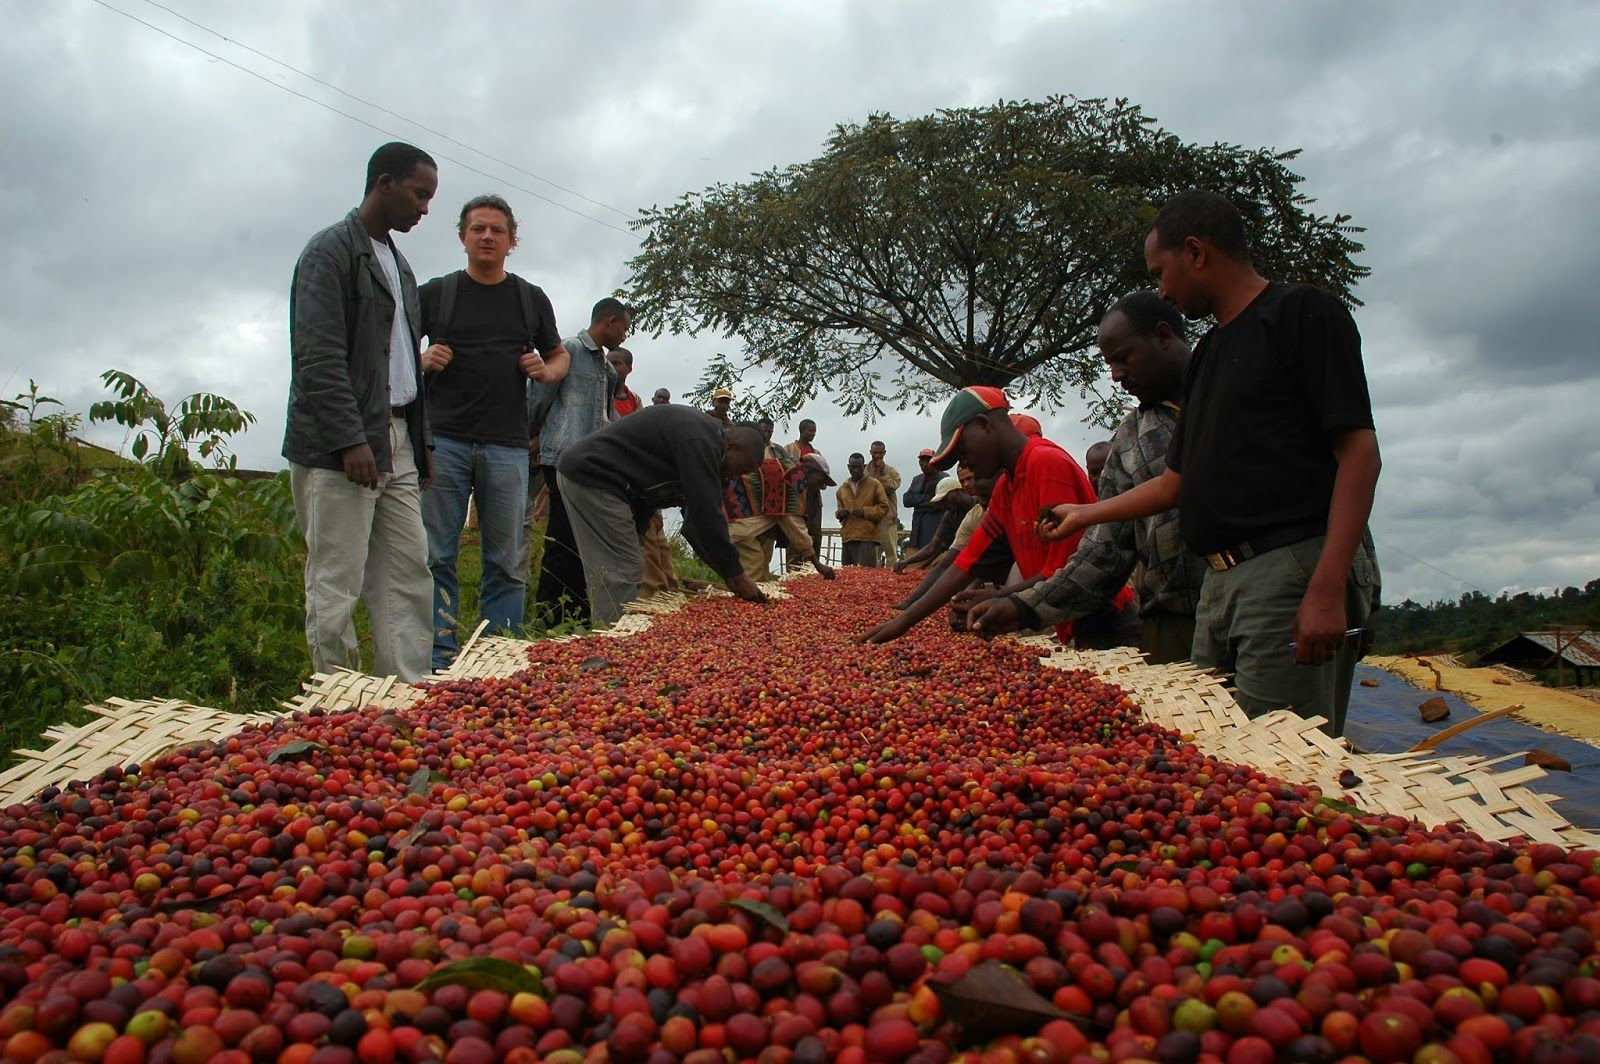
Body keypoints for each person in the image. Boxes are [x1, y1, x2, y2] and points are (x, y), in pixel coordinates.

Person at [1037, 190, 1380, 735]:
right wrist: (1085, 515)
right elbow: (1176, 483)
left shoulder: (1301, 313)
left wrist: (1326, 587)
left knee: (1284, 761)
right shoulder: (1210, 358)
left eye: (1161, 272)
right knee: (1213, 751)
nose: (1162, 290)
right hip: (1221, 584)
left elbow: (1360, 453)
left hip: (1285, 571)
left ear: (1195, 252)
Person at [968, 292, 1206, 664]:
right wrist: (1025, 607)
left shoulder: (1227, 396)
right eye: (1109, 363)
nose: (1116, 375)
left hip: (1264, 601)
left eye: (1123, 358)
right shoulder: (1131, 439)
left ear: (1162, 336)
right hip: (1172, 619)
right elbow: (1104, 553)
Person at [283, 142, 437, 682]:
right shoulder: (330, 252)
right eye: (420, 194)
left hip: (395, 438)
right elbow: (318, 358)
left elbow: (402, 366)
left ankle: (406, 692)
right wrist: (351, 440)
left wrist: (421, 445)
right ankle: (337, 699)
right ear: (385, 183)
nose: (424, 209)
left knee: (408, 570)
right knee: (337, 576)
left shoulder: (400, 265)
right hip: (340, 443)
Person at [416, 194, 563, 671]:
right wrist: (421, 361)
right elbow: (392, 348)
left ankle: (498, 656)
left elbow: (559, 355)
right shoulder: (437, 293)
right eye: (478, 228)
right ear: (462, 236)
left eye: (497, 231)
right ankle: (437, 656)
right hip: (444, 442)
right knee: (436, 553)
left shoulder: (529, 297)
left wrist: (545, 371)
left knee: (506, 558)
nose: (486, 237)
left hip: (507, 446)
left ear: (511, 241)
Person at [859, 387, 1104, 644]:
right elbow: (966, 561)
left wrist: (1000, 597)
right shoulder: (1005, 488)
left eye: (962, 451)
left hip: (1099, 619)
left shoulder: (1045, 464)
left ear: (984, 425)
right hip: (1066, 622)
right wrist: (904, 620)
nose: (964, 464)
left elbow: (1061, 573)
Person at [556, 408, 769, 625]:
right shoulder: (701, 441)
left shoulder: (709, 444)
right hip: (595, 477)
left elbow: (690, 524)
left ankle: (609, 633)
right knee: (623, 568)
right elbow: (707, 515)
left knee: (629, 561)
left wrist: (729, 577)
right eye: (741, 469)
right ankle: (611, 643)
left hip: (613, 486)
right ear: (731, 447)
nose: (736, 477)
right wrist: (737, 575)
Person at [533, 297, 632, 625]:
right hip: (561, 455)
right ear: (609, 321)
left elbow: (605, 418)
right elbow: (541, 397)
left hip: (588, 464)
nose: (624, 336)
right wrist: (531, 435)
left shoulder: (606, 369)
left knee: (580, 538)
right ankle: (550, 615)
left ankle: (576, 611)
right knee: (562, 537)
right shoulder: (569, 351)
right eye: (624, 328)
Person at [725, 446, 837, 582]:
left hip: (735, 512)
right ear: (809, 471)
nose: (822, 487)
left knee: (757, 559)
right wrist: (818, 565)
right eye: (821, 480)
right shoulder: (794, 480)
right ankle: (741, 598)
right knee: (753, 563)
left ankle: (748, 594)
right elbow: (796, 528)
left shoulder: (789, 468)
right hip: (734, 515)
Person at [835, 453, 891, 567]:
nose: (855, 470)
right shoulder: (842, 489)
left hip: (867, 538)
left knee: (865, 577)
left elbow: (884, 507)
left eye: (858, 467)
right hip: (847, 538)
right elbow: (839, 509)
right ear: (848, 467)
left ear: (864, 467)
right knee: (846, 579)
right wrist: (840, 514)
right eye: (852, 467)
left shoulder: (874, 484)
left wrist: (865, 512)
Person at [785, 419, 824, 551]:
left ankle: (813, 568)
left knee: (815, 535)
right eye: (810, 431)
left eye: (815, 432)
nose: (813, 434)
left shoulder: (817, 453)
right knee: (795, 533)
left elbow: (824, 475)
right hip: (795, 498)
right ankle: (794, 569)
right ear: (802, 430)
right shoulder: (789, 449)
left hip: (813, 498)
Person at [901, 449, 947, 551]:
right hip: (917, 533)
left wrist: (918, 504)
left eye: (928, 460)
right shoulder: (917, 479)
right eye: (922, 461)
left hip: (935, 533)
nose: (925, 464)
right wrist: (925, 498)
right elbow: (906, 500)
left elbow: (937, 504)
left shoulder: (944, 478)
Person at [865, 441, 902, 564]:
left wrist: (882, 474)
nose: (877, 456)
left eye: (880, 453)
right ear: (870, 452)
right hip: (870, 519)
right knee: (872, 555)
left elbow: (892, 487)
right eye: (875, 453)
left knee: (891, 553)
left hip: (887, 519)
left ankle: (892, 580)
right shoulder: (864, 471)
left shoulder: (891, 472)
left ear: (884, 453)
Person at [608, 347, 643, 417]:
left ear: (629, 369)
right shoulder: (598, 395)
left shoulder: (635, 400)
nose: (610, 367)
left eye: (615, 363)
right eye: (607, 363)